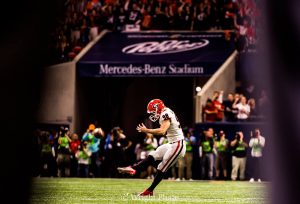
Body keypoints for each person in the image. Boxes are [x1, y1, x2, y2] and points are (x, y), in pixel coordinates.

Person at [117, 99, 186, 196]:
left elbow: (162, 131)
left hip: (178, 144)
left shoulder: (165, 113)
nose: (153, 114)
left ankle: (149, 190)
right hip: (172, 143)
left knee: (162, 167)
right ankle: (133, 168)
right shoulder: (166, 111)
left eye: (153, 111)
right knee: (154, 154)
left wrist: (146, 130)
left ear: (158, 108)